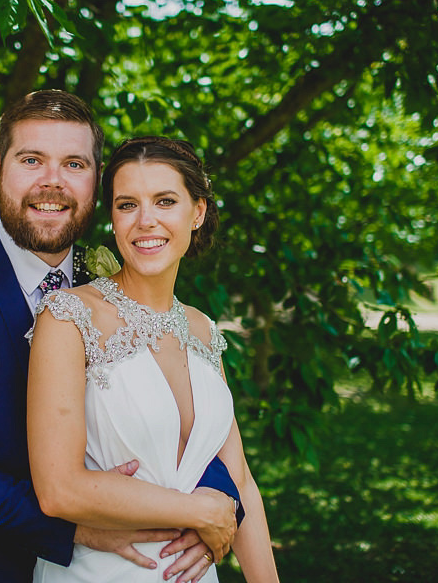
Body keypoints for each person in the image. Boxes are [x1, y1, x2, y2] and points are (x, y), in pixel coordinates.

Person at [0, 92, 242, 582]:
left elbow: (183, 409)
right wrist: (74, 526)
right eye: (31, 159)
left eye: (73, 163)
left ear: (96, 180)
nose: (52, 181)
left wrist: (220, 504)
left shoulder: (120, 280)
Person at [27, 136, 281, 582]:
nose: (146, 221)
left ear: (197, 211)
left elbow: (240, 481)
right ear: (112, 216)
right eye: (127, 205)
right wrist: (202, 511)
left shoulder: (203, 328)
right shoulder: (68, 317)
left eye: (165, 201)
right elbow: (58, 490)